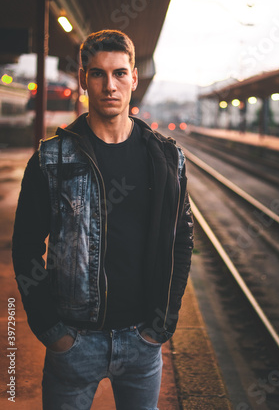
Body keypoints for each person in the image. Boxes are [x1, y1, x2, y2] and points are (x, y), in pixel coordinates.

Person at [12, 29, 194, 410]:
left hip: (142, 341)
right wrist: (50, 329)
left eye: (119, 73)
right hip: (74, 342)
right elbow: (26, 247)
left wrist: (162, 323)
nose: (109, 85)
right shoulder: (51, 159)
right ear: (83, 79)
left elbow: (181, 240)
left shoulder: (166, 159)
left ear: (133, 79)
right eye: (97, 73)